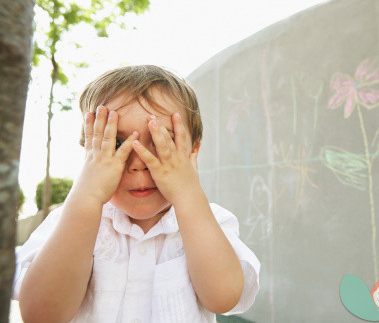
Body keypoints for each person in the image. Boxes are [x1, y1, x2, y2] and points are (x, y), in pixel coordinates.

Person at [12, 65, 261, 322]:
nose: (138, 161)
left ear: (192, 151)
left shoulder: (211, 221)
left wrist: (188, 193)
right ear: (89, 151)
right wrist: (87, 198)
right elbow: (40, 314)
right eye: (117, 144)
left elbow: (224, 297)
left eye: (162, 140)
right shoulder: (69, 221)